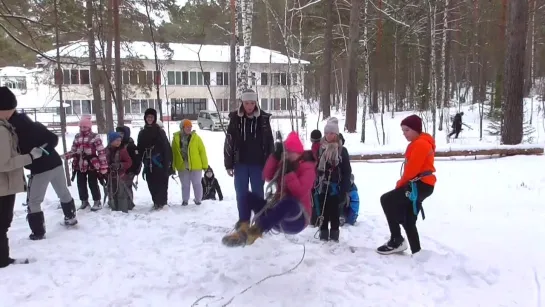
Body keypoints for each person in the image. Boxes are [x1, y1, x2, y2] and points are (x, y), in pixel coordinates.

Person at [222, 132, 316, 247]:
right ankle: (243, 228)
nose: (288, 155)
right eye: (286, 152)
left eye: (291, 152)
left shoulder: (307, 168)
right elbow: (267, 176)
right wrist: (275, 157)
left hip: (297, 219)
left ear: (299, 153)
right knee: (247, 196)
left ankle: (255, 232)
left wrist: (290, 174)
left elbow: (299, 193)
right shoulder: (284, 163)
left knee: (289, 202)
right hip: (276, 215)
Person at [9, 108, 78, 239]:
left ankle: (38, 232)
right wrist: (46, 146)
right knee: (63, 192)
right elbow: (53, 139)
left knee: (33, 201)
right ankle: (71, 217)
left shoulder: (15, 135)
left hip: (39, 169)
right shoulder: (36, 126)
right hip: (56, 163)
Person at [376, 114, 435, 255]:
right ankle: (417, 252)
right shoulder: (419, 143)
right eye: (403, 131)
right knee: (408, 219)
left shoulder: (421, 144)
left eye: (407, 130)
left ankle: (396, 240)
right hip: (422, 185)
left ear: (416, 129)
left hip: (420, 184)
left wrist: (399, 185)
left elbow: (411, 171)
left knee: (387, 199)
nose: (404, 134)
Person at [0, 87, 46, 267]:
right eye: (12, 108)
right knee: (2, 223)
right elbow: (3, 163)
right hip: (3, 185)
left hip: (5, 185)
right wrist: (31, 157)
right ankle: (2, 260)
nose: (13, 112)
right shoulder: (2, 130)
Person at [223, 89, 274, 230]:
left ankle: (259, 221)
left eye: (252, 103)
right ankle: (243, 221)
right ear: (242, 103)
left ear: (256, 103)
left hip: (258, 164)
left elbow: (270, 143)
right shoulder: (235, 119)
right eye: (247, 103)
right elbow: (229, 142)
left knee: (258, 193)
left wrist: (271, 164)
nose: (250, 106)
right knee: (241, 193)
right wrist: (228, 164)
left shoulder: (263, 119)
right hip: (240, 164)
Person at [315, 117, 352, 242]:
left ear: (336, 134)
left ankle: (335, 235)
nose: (328, 136)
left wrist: (345, 190)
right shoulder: (321, 148)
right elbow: (316, 166)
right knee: (323, 210)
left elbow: (347, 171)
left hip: (337, 186)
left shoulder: (342, 151)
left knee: (335, 212)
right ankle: (323, 234)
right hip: (322, 185)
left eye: (331, 133)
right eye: (326, 133)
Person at [64, 116, 108, 211]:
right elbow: (73, 150)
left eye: (85, 127)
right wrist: (68, 155)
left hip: (91, 164)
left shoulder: (95, 137)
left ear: (89, 127)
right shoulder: (77, 137)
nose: (82, 129)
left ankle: (97, 201)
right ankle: (84, 201)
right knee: (81, 183)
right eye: (81, 127)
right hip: (79, 164)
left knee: (92, 182)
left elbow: (101, 152)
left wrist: (103, 166)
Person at [137, 108, 173, 210]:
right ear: (145, 118)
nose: (149, 119)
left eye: (151, 117)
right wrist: (139, 161)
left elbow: (166, 148)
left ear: (154, 118)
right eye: (148, 117)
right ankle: (156, 201)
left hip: (160, 162)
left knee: (162, 182)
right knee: (151, 183)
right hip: (148, 162)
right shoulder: (142, 133)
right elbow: (140, 148)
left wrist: (168, 162)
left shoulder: (160, 132)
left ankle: (162, 202)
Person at [172, 119, 208, 206]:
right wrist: (173, 166)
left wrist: (205, 165)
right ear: (182, 127)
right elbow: (173, 153)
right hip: (182, 165)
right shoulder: (176, 139)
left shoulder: (196, 138)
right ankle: (185, 200)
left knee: (197, 184)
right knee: (185, 185)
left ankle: (198, 200)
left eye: (190, 127)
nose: (189, 128)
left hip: (196, 165)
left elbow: (202, 151)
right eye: (187, 127)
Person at [105, 132, 133, 213]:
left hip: (120, 176)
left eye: (119, 140)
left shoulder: (122, 151)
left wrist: (120, 165)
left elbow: (129, 162)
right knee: (112, 191)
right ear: (111, 141)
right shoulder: (105, 150)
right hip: (110, 176)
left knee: (121, 193)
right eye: (116, 140)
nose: (118, 142)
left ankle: (123, 208)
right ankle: (113, 206)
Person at [115, 126, 141, 210]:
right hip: (120, 170)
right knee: (120, 187)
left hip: (130, 171)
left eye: (122, 133)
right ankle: (121, 204)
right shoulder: (117, 143)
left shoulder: (131, 145)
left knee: (127, 187)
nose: (120, 135)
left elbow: (137, 159)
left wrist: (134, 170)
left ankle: (128, 204)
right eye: (118, 133)